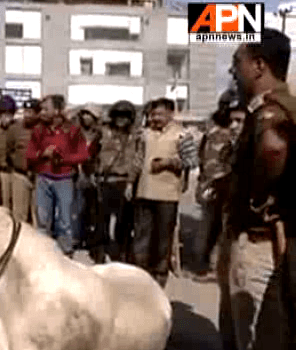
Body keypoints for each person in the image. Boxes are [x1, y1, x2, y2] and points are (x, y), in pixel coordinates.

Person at [221, 27, 296, 350]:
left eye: (238, 63)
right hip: (270, 241)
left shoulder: (268, 111)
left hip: (260, 243)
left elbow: (272, 152)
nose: (234, 71)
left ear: (259, 65)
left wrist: (260, 201)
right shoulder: (290, 106)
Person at [132, 97, 198, 288]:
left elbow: (192, 161)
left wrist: (170, 162)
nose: (155, 118)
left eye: (160, 114)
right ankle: (139, 274)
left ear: (171, 114)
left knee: (163, 238)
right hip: (144, 192)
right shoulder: (144, 134)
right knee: (142, 235)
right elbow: (138, 159)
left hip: (167, 195)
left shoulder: (182, 135)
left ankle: (160, 275)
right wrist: (131, 183)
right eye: (153, 114)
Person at [26, 94, 88, 258]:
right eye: (41, 109)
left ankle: (66, 253)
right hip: (43, 178)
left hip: (64, 179)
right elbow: (30, 154)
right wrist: (42, 154)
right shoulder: (39, 130)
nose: (42, 113)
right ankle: (43, 253)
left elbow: (83, 154)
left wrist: (64, 159)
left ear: (58, 110)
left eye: (46, 109)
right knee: (42, 219)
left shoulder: (73, 131)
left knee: (65, 219)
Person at [192, 96, 245, 281]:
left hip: (227, 185)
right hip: (213, 183)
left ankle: (214, 266)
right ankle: (207, 265)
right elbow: (203, 157)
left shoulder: (238, 131)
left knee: (221, 227)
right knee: (211, 226)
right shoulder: (214, 131)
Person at [90, 100, 141, 263]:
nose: (121, 119)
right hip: (105, 180)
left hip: (125, 182)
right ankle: (99, 252)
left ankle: (121, 253)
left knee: (124, 222)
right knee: (101, 220)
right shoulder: (103, 132)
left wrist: (131, 183)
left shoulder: (136, 136)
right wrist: (92, 172)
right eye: (118, 115)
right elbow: (91, 153)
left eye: (125, 116)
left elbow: (139, 159)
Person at [71, 103, 102, 250]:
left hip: (94, 176)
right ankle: (77, 237)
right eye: (84, 114)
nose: (86, 118)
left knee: (93, 209)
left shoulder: (100, 134)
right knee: (77, 208)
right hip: (77, 174)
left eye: (90, 115)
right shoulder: (75, 133)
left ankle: (91, 238)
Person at [3, 98, 37, 223]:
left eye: (31, 112)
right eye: (26, 111)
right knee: (19, 216)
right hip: (20, 175)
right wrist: (18, 162)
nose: (28, 115)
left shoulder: (42, 129)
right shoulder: (15, 129)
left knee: (38, 216)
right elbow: (9, 150)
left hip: (39, 176)